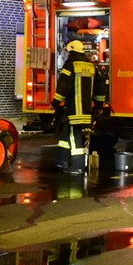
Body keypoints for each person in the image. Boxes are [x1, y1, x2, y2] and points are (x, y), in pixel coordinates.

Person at [51, 40, 107, 172]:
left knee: (74, 136)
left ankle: (78, 166)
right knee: (65, 135)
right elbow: (100, 89)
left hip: (73, 109)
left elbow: (63, 87)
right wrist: (99, 106)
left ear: (71, 52)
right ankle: (62, 160)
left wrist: (54, 103)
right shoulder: (91, 66)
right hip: (86, 110)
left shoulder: (70, 65)